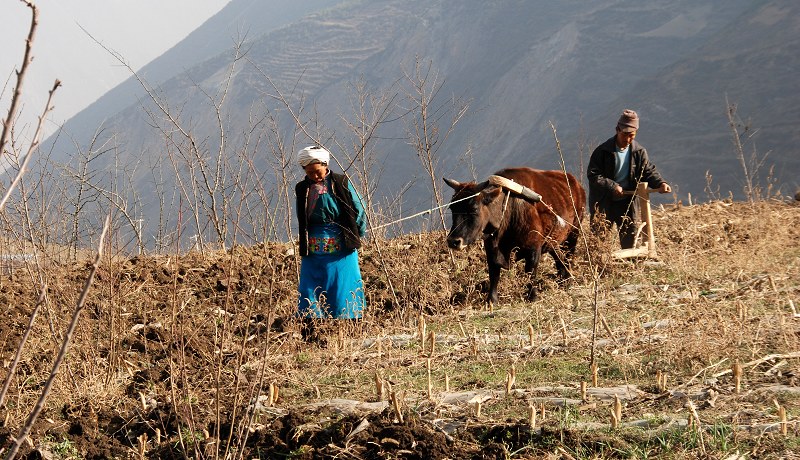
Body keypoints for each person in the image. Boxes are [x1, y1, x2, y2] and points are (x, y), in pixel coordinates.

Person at [295, 145, 367, 340]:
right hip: (313, 247)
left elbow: (358, 208)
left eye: (317, 172)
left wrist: (357, 234)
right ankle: (309, 334)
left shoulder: (341, 183)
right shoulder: (302, 188)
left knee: (345, 285)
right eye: (309, 173)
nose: (314, 177)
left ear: (325, 166)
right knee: (309, 286)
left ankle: (353, 332)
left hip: (342, 244)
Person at [587, 109, 671, 249]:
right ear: (617, 130)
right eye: (624, 135)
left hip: (626, 202)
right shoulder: (602, 151)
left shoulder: (639, 152)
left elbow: (648, 171)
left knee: (629, 238)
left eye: (631, 136)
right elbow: (594, 176)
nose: (627, 139)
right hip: (603, 202)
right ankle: (598, 268)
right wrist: (612, 186)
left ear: (636, 133)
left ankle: (629, 266)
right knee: (598, 241)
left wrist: (661, 183)